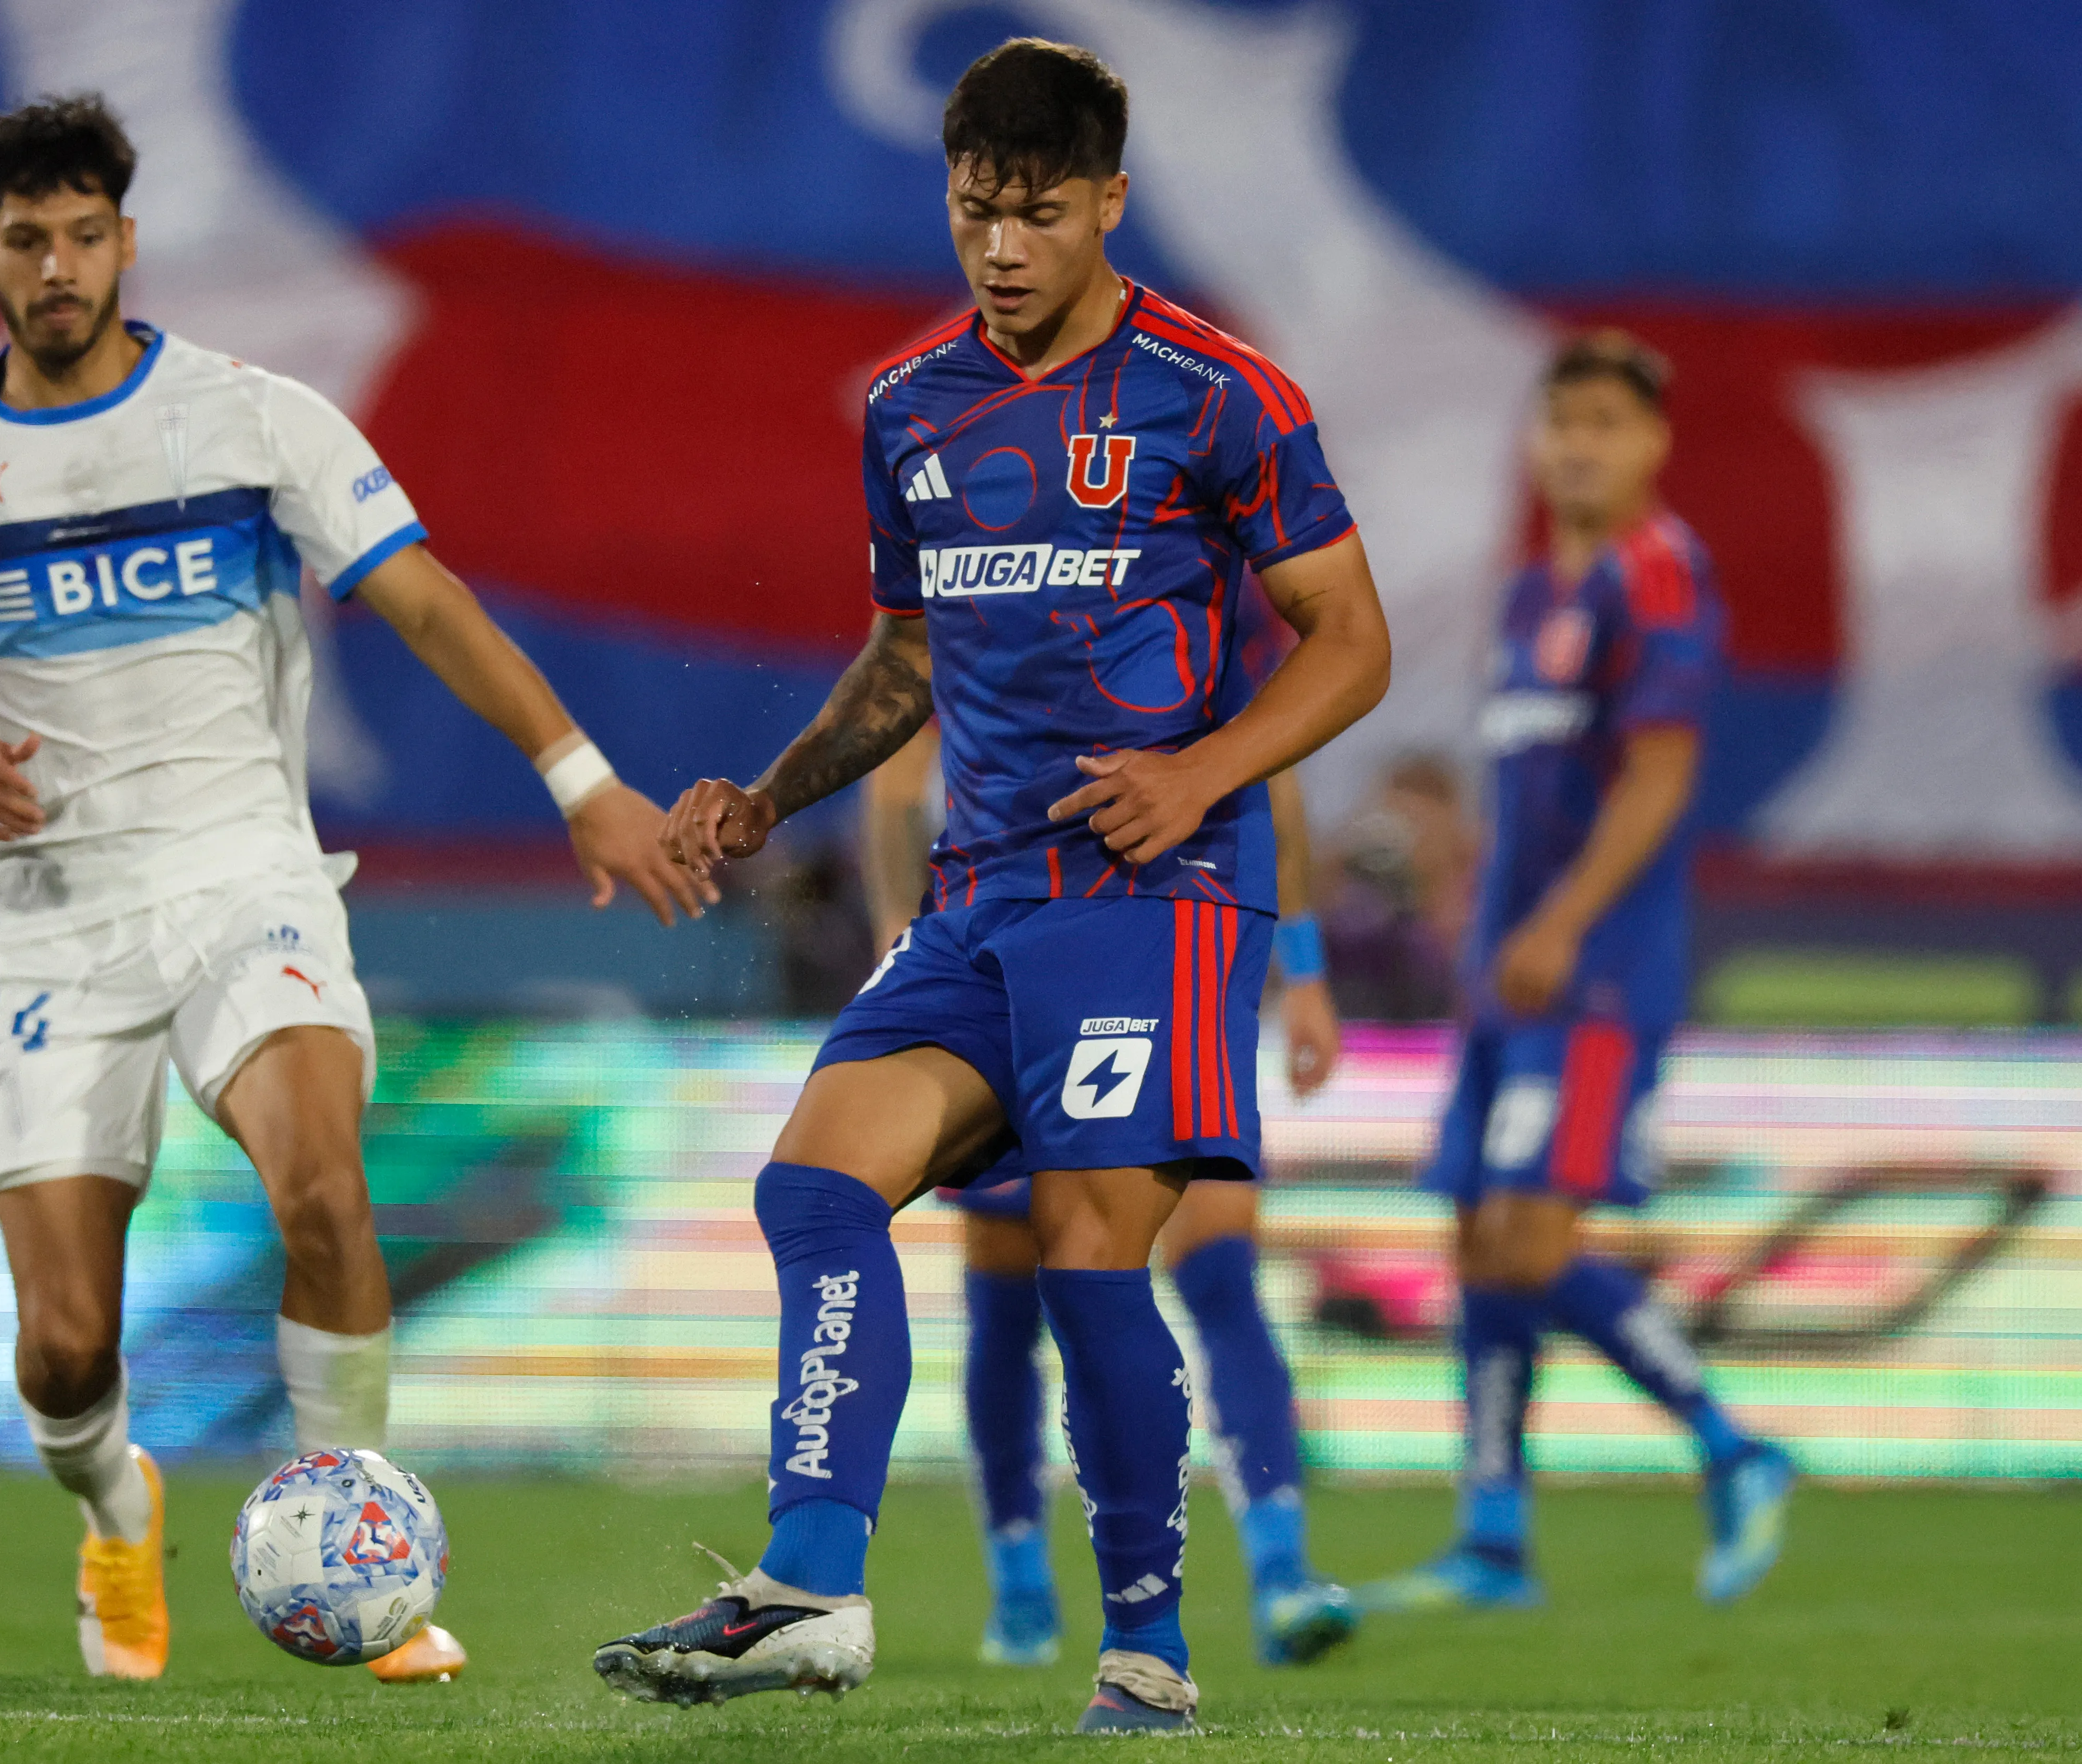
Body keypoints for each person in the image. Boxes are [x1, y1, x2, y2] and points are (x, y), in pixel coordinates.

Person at [0, 95, 706, 1684]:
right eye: (26, 239)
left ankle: (365, 1559)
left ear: (125, 239)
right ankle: (115, 1508)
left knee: (320, 1182)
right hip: (55, 919)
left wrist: (583, 787)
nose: (59, 265)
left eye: (84, 233)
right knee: (65, 1347)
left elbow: (427, 606)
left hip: (247, 874)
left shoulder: (249, 420)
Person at [590, 39, 1390, 1733]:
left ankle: (1148, 1650)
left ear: (1108, 200)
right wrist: (772, 793)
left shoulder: (1218, 389)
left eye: (1036, 214)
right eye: (974, 213)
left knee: (1094, 1247)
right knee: (815, 1187)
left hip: (1153, 885)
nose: (1002, 248)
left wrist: (1198, 769)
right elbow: (906, 655)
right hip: (976, 896)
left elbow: (1354, 642)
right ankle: (810, 1583)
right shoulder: (912, 409)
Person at [1356, 331, 1793, 1618]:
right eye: (1561, 421)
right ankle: (1492, 1535)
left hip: (1595, 972)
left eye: (1606, 422)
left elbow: (1659, 777)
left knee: (1533, 1236)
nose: (1579, 444)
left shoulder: (1656, 579)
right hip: (1508, 970)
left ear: (1652, 443)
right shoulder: (1527, 591)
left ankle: (1730, 1442)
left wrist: (1559, 926)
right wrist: (1478, 909)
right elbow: (1535, 785)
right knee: (1475, 1238)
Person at [862, 595, 1357, 1673]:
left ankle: (1279, 1569)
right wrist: (913, 946)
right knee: (1009, 1272)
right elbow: (897, 775)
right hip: (1011, 953)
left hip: (1175, 943)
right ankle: (1022, 1584)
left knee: (1216, 1254)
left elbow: (1271, 767)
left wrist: (1305, 969)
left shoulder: (1196, 569)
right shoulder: (1001, 567)